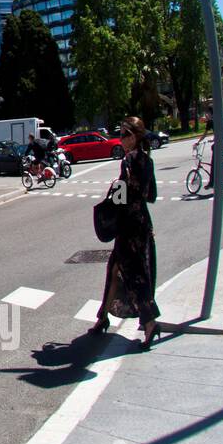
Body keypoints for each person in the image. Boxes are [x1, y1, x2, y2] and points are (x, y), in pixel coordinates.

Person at [89, 116, 160, 347]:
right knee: (115, 269)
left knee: (134, 274)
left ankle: (149, 323)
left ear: (135, 136)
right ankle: (102, 317)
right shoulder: (147, 161)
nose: (120, 139)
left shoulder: (129, 160)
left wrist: (116, 188)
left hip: (128, 226)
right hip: (142, 223)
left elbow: (122, 197)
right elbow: (152, 196)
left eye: (123, 135)